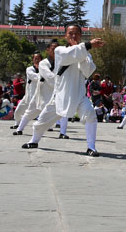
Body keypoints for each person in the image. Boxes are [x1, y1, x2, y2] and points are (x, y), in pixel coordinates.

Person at [22, 25, 105, 156]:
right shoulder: (60, 51)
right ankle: (34, 140)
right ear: (65, 36)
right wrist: (87, 46)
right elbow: (69, 56)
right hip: (61, 95)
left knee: (90, 115)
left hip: (79, 95)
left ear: (80, 36)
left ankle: (91, 147)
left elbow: (87, 71)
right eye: (70, 33)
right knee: (42, 121)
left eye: (77, 33)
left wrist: (84, 53)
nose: (73, 36)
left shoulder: (85, 54)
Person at [12, 42, 69, 138]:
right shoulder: (43, 63)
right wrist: (59, 80)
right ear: (48, 50)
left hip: (55, 92)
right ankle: (19, 128)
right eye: (53, 48)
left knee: (62, 111)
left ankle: (63, 133)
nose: (55, 51)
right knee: (30, 110)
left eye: (57, 48)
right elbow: (49, 77)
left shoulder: (62, 63)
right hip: (41, 92)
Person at [12, 54, 42, 129]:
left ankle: (48, 126)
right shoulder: (29, 69)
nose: (37, 60)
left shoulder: (44, 68)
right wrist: (43, 76)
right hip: (29, 95)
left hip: (40, 94)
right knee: (18, 110)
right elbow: (34, 77)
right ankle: (17, 123)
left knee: (44, 110)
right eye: (35, 58)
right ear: (33, 60)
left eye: (38, 58)